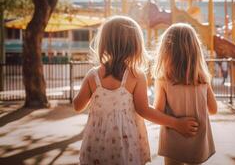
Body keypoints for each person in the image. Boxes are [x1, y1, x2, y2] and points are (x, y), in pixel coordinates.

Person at [73, 16, 199, 165]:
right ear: (134, 45)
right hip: (126, 143)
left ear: (105, 43)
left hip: (96, 143)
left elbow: (77, 106)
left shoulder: (92, 76)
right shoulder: (135, 75)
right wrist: (177, 124)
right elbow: (144, 110)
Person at [153, 23, 218, 165]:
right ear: (196, 51)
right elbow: (213, 110)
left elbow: (157, 113)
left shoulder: (163, 80)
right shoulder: (202, 80)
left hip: (173, 143)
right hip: (197, 143)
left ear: (167, 51)